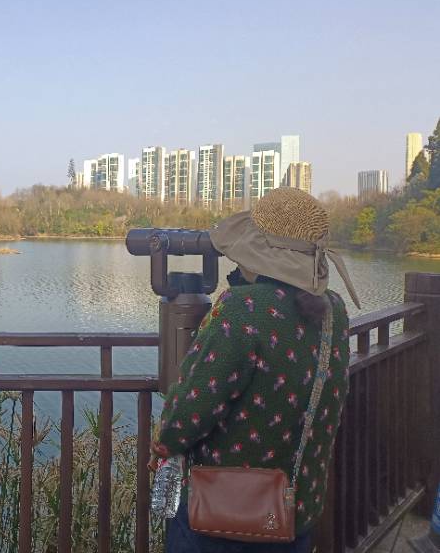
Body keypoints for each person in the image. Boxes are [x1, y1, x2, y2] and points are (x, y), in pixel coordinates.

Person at [150, 187, 361, 552]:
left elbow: (192, 407)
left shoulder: (242, 308)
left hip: (225, 516)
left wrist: (162, 447)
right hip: (294, 510)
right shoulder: (334, 310)